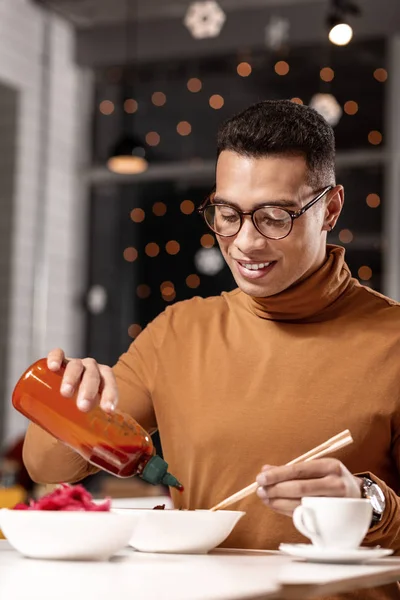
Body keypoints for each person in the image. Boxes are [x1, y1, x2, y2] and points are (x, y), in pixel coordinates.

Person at [22, 100, 400, 598]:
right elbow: (46, 468)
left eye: (273, 216)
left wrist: (367, 501)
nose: (245, 242)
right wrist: (72, 400)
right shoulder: (179, 330)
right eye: (227, 214)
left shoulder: (391, 340)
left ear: (329, 209)